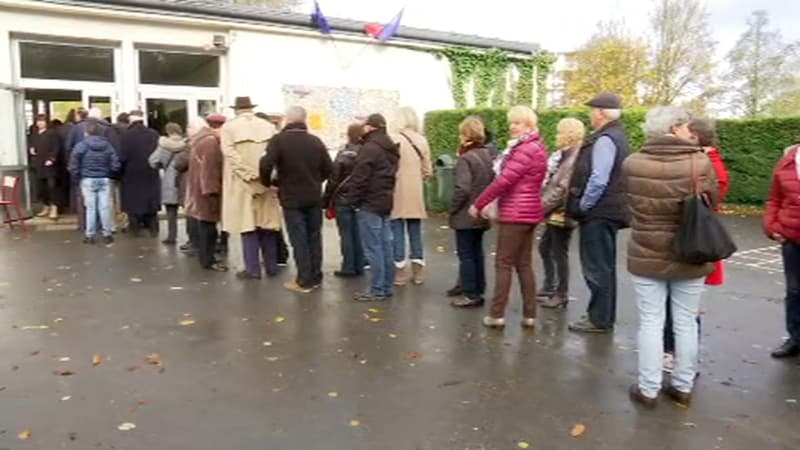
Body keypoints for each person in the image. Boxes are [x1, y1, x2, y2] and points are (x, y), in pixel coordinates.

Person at [624, 106, 718, 409]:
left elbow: (629, 204)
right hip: (690, 250)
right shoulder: (699, 162)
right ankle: (682, 386)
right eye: (686, 126)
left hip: (645, 250)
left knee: (651, 321)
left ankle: (648, 389)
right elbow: (712, 201)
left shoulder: (632, 163)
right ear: (676, 128)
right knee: (686, 322)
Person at [662, 118, 730, 372]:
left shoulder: (708, 164)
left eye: (685, 132)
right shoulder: (699, 161)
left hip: (694, 240)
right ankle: (674, 353)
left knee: (685, 305)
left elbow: (710, 198)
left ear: (695, 138)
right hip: (685, 236)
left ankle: (681, 357)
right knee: (676, 301)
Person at [471, 106, 548, 328]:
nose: (513, 126)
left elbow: (505, 180)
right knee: (524, 264)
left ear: (529, 125)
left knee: (503, 263)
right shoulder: (537, 147)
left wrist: (479, 203)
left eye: (519, 123)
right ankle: (530, 314)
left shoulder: (524, 149)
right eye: (512, 122)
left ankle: (496, 314)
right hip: (530, 211)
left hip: (515, 212)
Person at [566, 92, 631, 334]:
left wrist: (583, 204)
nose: (590, 115)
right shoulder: (618, 136)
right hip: (609, 211)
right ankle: (602, 316)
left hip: (599, 212)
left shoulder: (605, 139)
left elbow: (598, 178)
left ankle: (599, 318)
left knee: (597, 267)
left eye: (592, 110)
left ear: (601, 113)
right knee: (605, 265)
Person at [259, 105, 332, 293]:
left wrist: (270, 183)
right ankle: (315, 276)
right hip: (314, 196)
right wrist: (316, 181)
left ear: (287, 120)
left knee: (299, 239)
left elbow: (266, 164)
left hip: (291, 197)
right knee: (314, 237)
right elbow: (329, 169)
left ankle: (304, 280)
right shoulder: (316, 141)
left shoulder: (279, 140)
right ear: (304, 120)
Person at [341, 114, 400, 301]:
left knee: (373, 248)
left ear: (370, 127)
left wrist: (352, 200)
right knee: (385, 246)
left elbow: (360, 178)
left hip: (369, 203)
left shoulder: (370, 149)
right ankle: (387, 286)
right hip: (385, 201)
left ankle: (377, 289)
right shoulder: (391, 147)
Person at [222, 97, 283, 280]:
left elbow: (229, 154)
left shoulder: (229, 128)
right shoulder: (268, 126)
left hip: (242, 182)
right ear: (251, 108)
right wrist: (267, 175)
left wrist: (248, 173)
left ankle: (252, 269)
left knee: (247, 225)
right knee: (267, 224)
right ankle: (272, 267)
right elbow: (275, 154)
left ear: (236, 110)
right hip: (266, 181)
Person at [537, 118, 586, 309]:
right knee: (546, 247)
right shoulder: (564, 154)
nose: (557, 135)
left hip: (562, 209)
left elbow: (561, 187)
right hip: (555, 209)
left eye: (560, 131)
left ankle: (561, 292)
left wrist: (542, 207)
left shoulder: (573, 156)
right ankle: (551, 286)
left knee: (559, 251)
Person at [449, 117, 494, 308]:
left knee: (466, 254)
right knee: (477, 252)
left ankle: (470, 293)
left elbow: (463, 188)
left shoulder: (466, 158)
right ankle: (478, 289)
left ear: (466, 135)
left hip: (466, 214)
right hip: (482, 212)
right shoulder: (487, 155)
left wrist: (453, 208)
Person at [390, 107, 433, 286]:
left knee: (397, 231)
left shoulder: (392, 139)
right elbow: (428, 171)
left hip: (396, 190)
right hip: (415, 191)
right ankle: (418, 273)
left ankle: (400, 273)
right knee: (415, 232)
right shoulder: (422, 140)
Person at [765, 141, 800, 359]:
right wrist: (772, 226)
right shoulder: (788, 160)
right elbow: (774, 199)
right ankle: (795, 338)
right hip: (792, 239)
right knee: (795, 291)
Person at [184, 117, 228, 272]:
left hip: (199, 191)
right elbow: (210, 171)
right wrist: (212, 191)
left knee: (205, 226)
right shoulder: (210, 143)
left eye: (189, 127)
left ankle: (206, 258)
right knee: (208, 228)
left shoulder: (199, 142)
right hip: (207, 192)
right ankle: (208, 260)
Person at [323, 123, 366, 278]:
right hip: (361, 199)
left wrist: (326, 201)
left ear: (349, 135)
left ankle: (348, 267)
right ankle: (360, 264)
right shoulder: (367, 151)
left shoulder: (343, 153)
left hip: (343, 199)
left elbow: (334, 179)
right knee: (359, 233)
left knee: (346, 234)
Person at [69, 122, 121, 245]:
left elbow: (73, 163)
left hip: (87, 179)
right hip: (104, 178)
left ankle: (90, 235)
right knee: (104, 207)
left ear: (86, 133)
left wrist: (77, 176)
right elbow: (115, 164)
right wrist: (110, 172)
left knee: (90, 208)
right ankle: (107, 234)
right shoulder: (107, 145)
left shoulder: (81, 145)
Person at [119, 110, 160, 237]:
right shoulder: (153, 134)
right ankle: (153, 229)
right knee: (151, 203)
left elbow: (122, 156)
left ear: (130, 120)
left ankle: (134, 230)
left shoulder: (126, 135)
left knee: (133, 204)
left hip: (131, 174)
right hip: (150, 172)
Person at [148, 122, 189, 245]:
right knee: (189, 211)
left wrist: (161, 165)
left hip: (169, 179)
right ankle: (191, 238)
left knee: (171, 211)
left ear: (168, 131)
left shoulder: (164, 145)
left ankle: (172, 236)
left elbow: (153, 161)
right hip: (184, 180)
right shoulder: (187, 144)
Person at [29, 114, 63, 220]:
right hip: (38, 164)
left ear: (46, 122)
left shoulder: (52, 133)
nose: (40, 123)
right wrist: (31, 149)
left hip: (49, 165)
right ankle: (46, 206)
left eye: (42, 121)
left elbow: (57, 147)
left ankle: (54, 208)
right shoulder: (34, 134)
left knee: (52, 187)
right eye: (38, 121)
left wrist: (52, 159)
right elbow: (31, 145)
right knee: (41, 188)